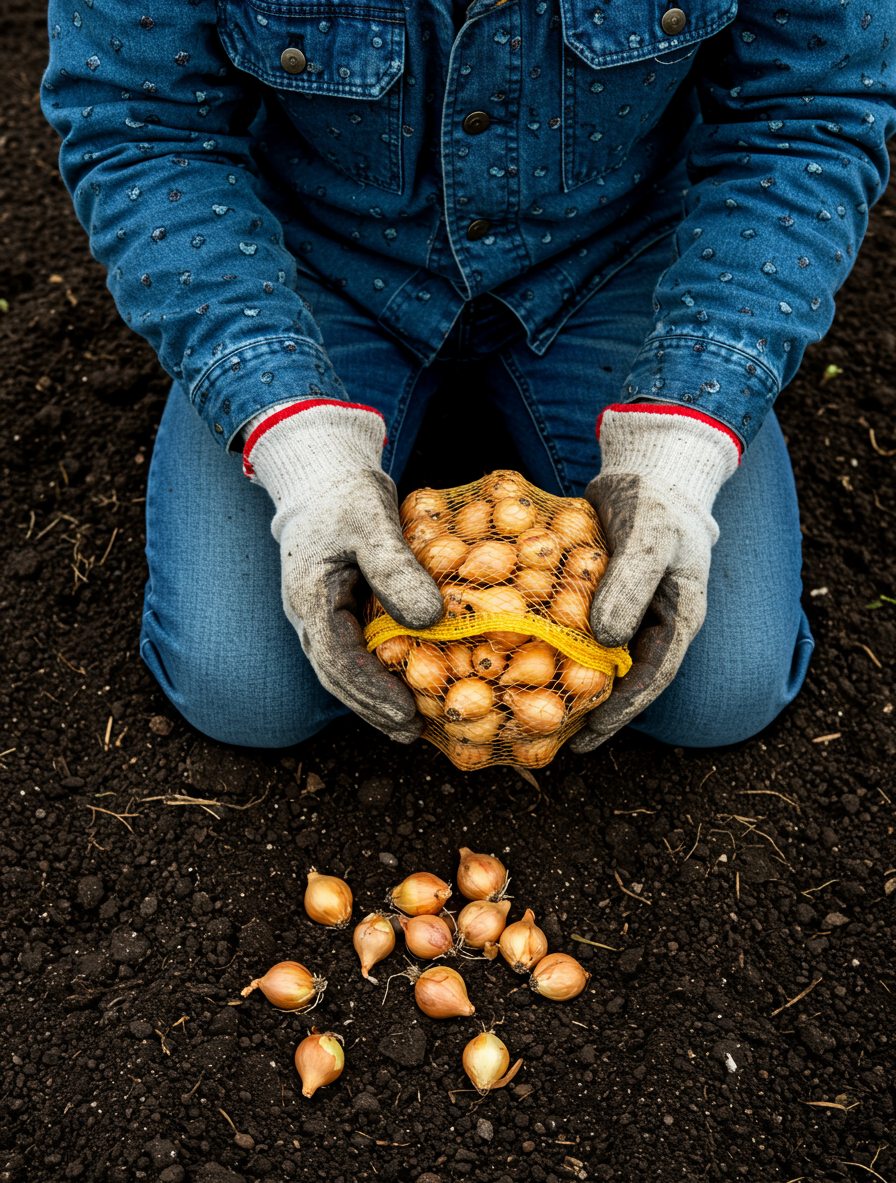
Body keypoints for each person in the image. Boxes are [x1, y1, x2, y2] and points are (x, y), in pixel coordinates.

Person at [41, 2, 894, 755]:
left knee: (717, 691)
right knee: (249, 692)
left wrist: (687, 436)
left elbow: (808, 119)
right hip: (318, 263)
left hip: (614, 257)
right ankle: (262, 374)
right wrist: (287, 430)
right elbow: (141, 127)